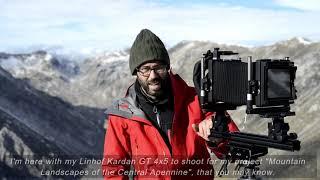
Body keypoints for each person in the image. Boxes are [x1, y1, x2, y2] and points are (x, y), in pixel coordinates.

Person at [102, 29, 239, 179]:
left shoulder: (198, 100)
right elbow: (113, 168)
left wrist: (217, 138)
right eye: (146, 69)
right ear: (136, 71)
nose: (153, 76)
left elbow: (234, 149)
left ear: (167, 67)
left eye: (158, 68)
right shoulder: (122, 114)